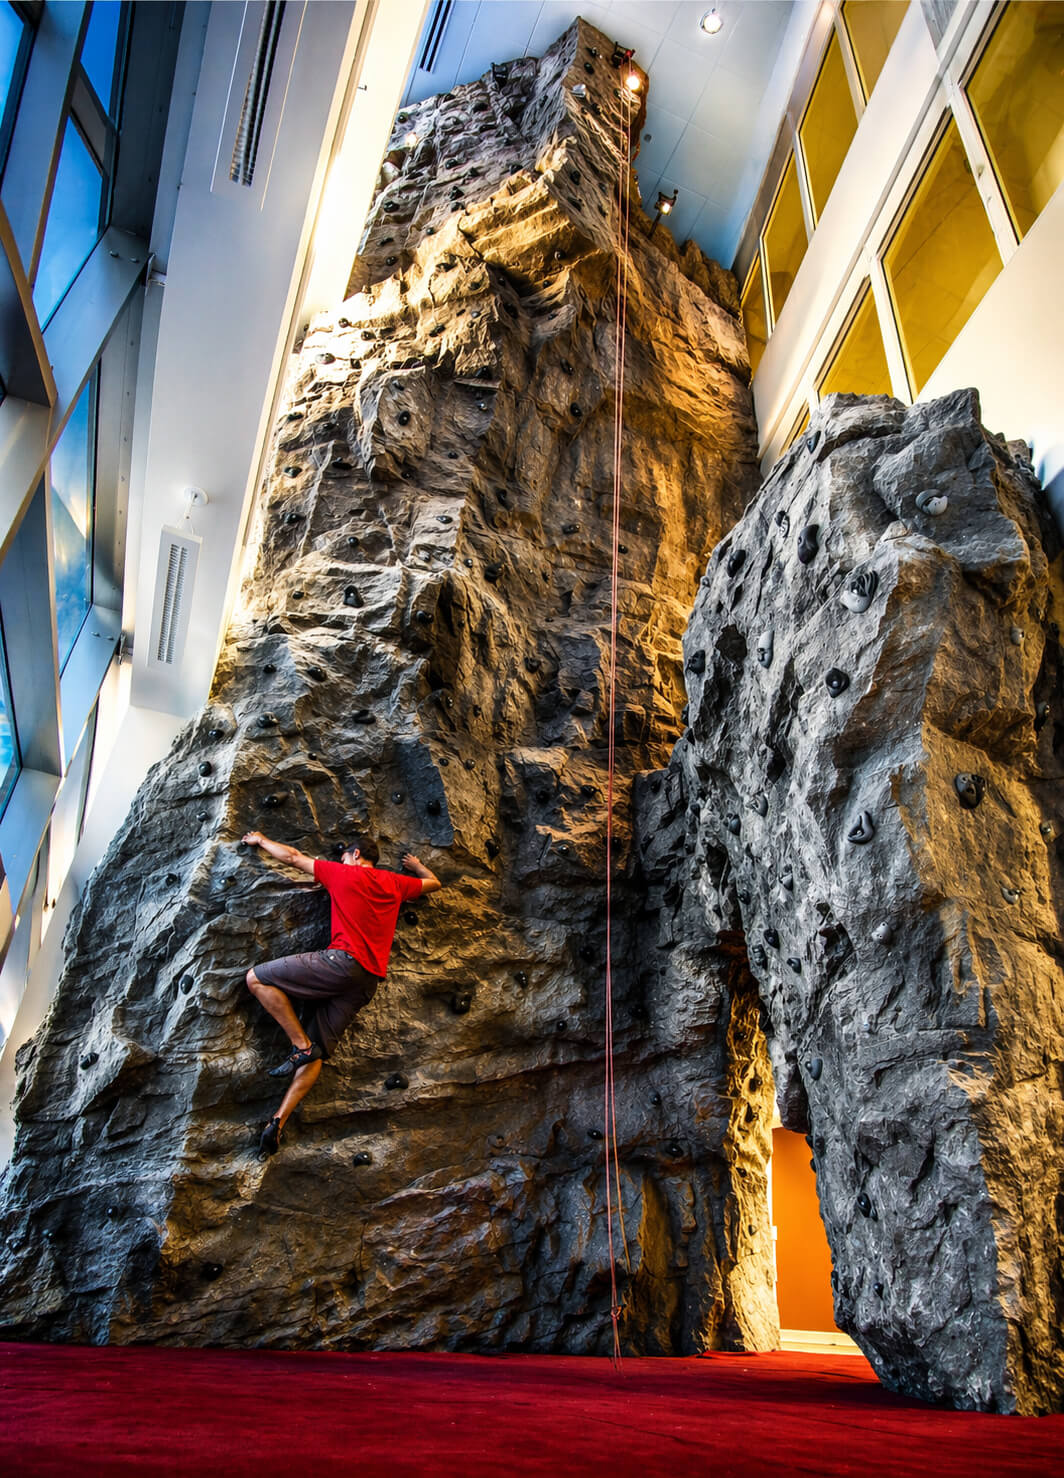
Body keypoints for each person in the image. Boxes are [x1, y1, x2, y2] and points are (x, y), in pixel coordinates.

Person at [241, 830, 442, 1155]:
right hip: (366, 982)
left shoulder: (342, 872)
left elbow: (293, 857)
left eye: (344, 857)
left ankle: (300, 1046)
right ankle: (278, 1121)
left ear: (355, 856)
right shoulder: (395, 883)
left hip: (340, 964)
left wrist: (261, 840)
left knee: (255, 979)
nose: (341, 861)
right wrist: (417, 865)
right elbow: (434, 883)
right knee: (320, 1050)